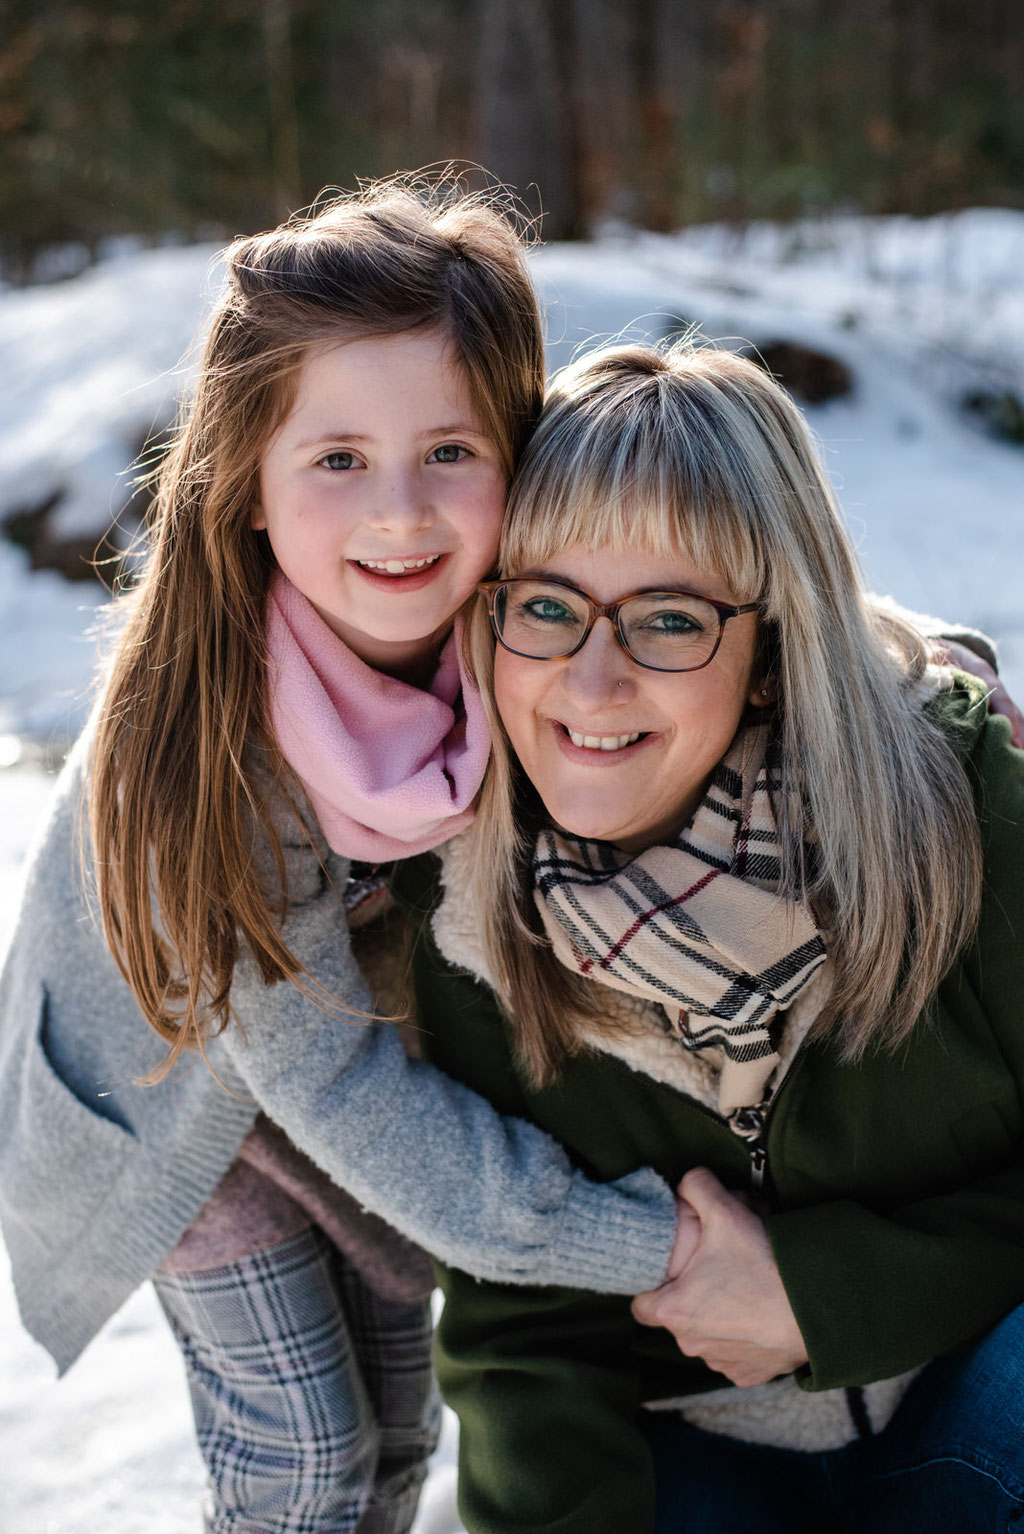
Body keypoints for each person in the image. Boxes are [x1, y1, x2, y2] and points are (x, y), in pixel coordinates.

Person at [0, 184, 685, 1534]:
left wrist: (908, 671)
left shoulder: (519, 640)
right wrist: (641, 1244)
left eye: (451, 450)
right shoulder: (200, 736)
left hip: (340, 1079)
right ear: (245, 480)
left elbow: (716, 597)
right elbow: (322, 1073)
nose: (402, 513)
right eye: (337, 460)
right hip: (170, 1086)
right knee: (301, 1463)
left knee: (390, 1441)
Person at [400, 340, 1024, 1533]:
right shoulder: (465, 917)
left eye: (668, 619)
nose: (590, 683)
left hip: (974, 1413)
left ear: (774, 646)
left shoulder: (965, 807)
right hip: (689, 1464)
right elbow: (520, 1330)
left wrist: (828, 1295)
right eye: (545, 607)